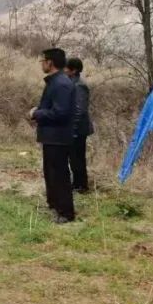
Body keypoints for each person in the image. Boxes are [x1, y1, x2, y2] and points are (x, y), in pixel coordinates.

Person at [28, 48, 77, 223]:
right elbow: (52, 108)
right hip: (51, 136)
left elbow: (60, 113)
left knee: (60, 174)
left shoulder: (61, 84)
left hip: (59, 137)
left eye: (43, 60)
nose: (41, 63)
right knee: (51, 173)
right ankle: (55, 205)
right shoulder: (55, 82)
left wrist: (37, 114)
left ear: (50, 62)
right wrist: (39, 112)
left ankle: (66, 213)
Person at [65, 57, 93, 193]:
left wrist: (73, 129)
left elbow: (80, 110)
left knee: (77, 158)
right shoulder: (71, 83)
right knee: (73, 158)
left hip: (78, 128)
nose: (63, 70)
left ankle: (81, 185)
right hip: (73, 128)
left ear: (74, 70)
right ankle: (76, 183)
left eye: (66, 68)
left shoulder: (79, 85)